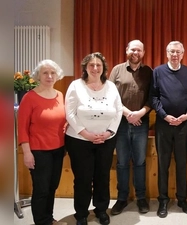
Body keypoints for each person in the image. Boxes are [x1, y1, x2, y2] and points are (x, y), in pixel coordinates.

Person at [65, 52, 123, 225]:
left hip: (106, 140)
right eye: (92, 65)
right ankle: (81, 213)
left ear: (104, 68)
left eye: (99, 65)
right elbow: (70, 113)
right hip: (79, 141)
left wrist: (109, 132)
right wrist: (86, 134)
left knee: (102, 176)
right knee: (83, 178)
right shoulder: (76, 85)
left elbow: (118, 111)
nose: (95, 68)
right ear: (85, 68)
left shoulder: (111, 86)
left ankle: (101, 209)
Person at [150, 41, 187, 218]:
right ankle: (163, 199)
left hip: (183, 125)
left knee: (182, 162)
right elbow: (154, 97)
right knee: (163, 163)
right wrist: (164, 115)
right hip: (164, 124)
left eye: (178, 52)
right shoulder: (158, 71)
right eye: (172, 51)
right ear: (166, 53)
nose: (175, 54)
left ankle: (182, 199)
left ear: (183, 54)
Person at [18, 59, 66, 225]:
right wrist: (27, 153)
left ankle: (49, 219)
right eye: (45, 72)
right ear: (38, 75)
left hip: (58, 149)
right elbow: (22, 128)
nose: (49, 76)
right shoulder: (29, 98)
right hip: (38, 151)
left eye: (52, 72)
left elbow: (62, 120)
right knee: (41, 190)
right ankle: (41, 222)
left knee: (52, 187)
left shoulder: (60, 95)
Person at [109, 40, 153, 215]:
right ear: (127, 50)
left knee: (140, 162)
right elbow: (110, 96)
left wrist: (140, 114)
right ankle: (122, 198)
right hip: (120, 123)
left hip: (141, 123)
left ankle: (141, 198)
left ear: (143, 53)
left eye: (139, 50)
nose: (136, 52)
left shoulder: (149, 72)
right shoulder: (117, 70)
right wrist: (128, 114)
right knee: (122, 163)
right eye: (133, 49)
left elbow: (153, 96)